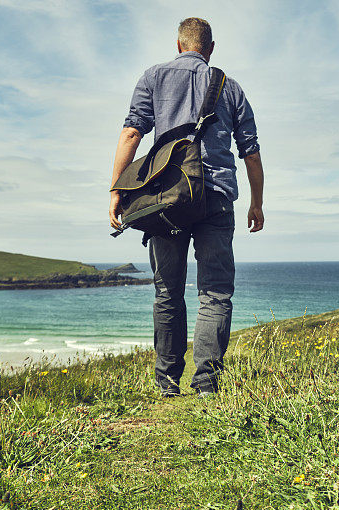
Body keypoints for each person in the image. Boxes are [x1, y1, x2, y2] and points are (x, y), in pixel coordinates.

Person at [109, 17, 265, 398]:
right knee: (214, 293)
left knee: (167, 291)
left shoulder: (152, 77)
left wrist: (117, 190)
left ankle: (167, 383)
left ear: (178, 45)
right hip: (215, 197)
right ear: (210, 49)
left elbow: (132, 132)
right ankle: (207, 385)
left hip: (167, 201)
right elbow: (251, 152)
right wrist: (257, 203)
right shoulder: (230, 88)